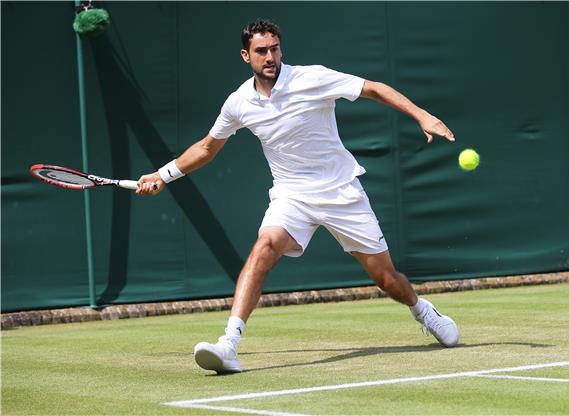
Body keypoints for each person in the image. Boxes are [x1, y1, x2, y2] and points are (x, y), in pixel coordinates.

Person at [137, 19, 459, 374]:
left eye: (275, 48)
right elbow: (207, 148)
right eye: (261, 51)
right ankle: (228, 344)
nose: (270, 56)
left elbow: (374, 89)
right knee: (264, 248)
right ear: (246, 56)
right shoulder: (239, 102)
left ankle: (421, 310)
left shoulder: (312, 78)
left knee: (387, 280)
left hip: (341, 192)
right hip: (292, 196)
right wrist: (164, 175)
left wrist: (422, 115)